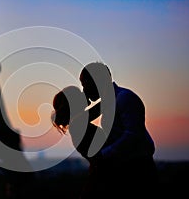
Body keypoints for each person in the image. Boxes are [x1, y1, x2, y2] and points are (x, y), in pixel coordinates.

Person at [52, 62, 158, 198]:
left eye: (85, 85)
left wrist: (103, 156)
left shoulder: (124, 99)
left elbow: (133, 135)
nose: (84, 91)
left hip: (138, 170)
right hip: (116, 174)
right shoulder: (80, 123)